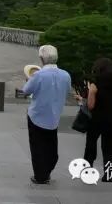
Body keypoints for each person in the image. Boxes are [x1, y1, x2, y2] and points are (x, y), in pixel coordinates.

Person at [22, 44, 71, 184]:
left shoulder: (38, 75)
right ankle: (47, 170)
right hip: (54, 115)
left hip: (36, 115)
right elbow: (67, 91)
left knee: (37, 146)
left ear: (42, 59)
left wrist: (29, 80)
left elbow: (26, 90)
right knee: (51, 146)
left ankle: (40, 175)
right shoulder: (66, 75)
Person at [83, 58, 112, 182]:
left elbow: (90, 105)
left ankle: (88, 170)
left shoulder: (95, 85)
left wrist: (87, 96)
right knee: (110, 148)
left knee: (91, 145)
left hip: (96, 120)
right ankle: (108, 175)